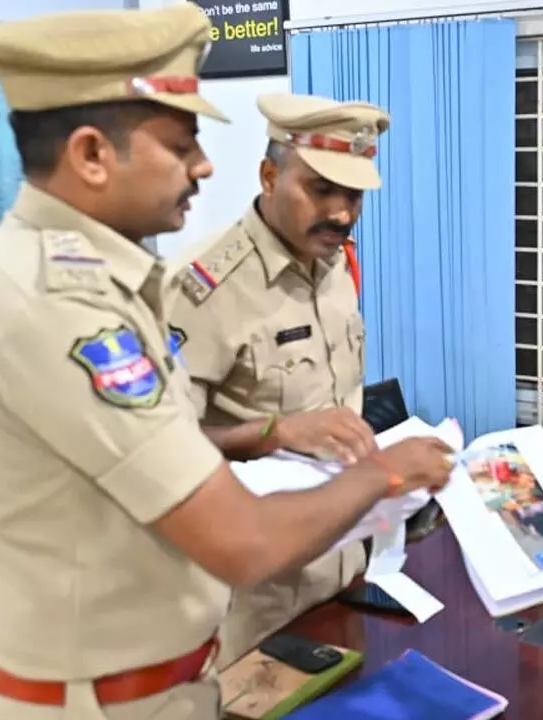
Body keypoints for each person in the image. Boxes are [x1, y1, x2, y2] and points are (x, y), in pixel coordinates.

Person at [0, 7, 453, 719]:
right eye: (181, 145)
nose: (204, 167)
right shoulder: (60, 307)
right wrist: (382, 473)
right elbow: (238, 540)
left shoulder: (107, 284)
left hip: (200, 660)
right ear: (91, 154)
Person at [167, 92, 389, 666]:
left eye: (354, 195)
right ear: (269, 175)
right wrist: (277, 431)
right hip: (254, 600)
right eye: (321, 189)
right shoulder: (203, 290)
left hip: (341, 569)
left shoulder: (336, 265)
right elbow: (154, 450)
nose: (342, 214)